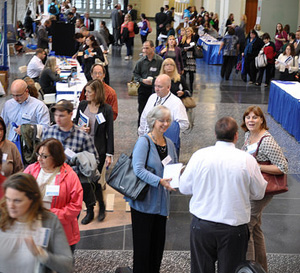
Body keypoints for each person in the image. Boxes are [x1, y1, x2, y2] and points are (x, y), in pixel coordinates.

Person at [179, 116, 267, 273]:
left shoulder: (199, 156)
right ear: (236, 136)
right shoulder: (247, 160)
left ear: (215, 135)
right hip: (233, 229)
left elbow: (184, 188)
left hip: (202, 225)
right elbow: (259, 193)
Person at [129, 105, 178, 273]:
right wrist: (159, 181)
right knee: (143, 250)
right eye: (161, 120)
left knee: (157, 249)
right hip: (144, 203)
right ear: (153, 121)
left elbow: (174, 167)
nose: (165, 124)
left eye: (168, 120)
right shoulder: (144, 142)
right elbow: (138, 169)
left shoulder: (170, 144)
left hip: (161, 205)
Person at [241, 106, 288, 272]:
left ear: (262, 120)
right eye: (248, 117)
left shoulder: (266, 140)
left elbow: (283, 166)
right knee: (256, 228)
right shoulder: (248, 135)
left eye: (255, 117)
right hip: (251, 187)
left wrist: (258, 166)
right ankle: (261, 268)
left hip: (262, 190)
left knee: (246, 227)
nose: (251, 120)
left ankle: (249, 268)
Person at [0, 173, 73, 273]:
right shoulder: (1, 217)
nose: (11, 206)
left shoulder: (49, 221)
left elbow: (67, 266)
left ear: (33, 199)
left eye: (17, 201)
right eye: (8, 199)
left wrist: (40, 254)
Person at [43, 100, 98, 225]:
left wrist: (79, 162)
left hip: (76, 180)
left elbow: (94, 159)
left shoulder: (82, 137)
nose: (58, 118)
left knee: (72, 217)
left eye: (61, 115)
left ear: (71, 114)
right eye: (56, 115)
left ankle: (90, 209)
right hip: (54, 180)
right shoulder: (49, 133)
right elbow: (41, 156)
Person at [24, 139, 83, 252]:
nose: (39, 159)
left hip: (60, 230)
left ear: (55, 157)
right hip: (35, 227)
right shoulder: (32, 170)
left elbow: (75, 206)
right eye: (38, 154)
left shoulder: (70, 176)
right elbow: (19, 192)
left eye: (44, 156)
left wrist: (51, 215)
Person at [74, 80, 114, 222]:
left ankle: (101, 206)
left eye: (89, 92)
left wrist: (110, 154)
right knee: (84, 181)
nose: (86, 94)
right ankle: (90, 209)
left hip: (98, 152)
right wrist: (79, 129)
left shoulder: (106, 109)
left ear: (97, 93)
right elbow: (75, 123)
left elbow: (110, 133)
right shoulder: (83, 105)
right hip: (82, 150)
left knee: (94, 180)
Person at [133, 40, 163, 125]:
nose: (144, 50)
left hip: (156, 90)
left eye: (147, 48)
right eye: (143, 48)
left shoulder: (160, 61)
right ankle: (141, 132)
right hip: (143, 90)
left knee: (156, 112)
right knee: (142, 111)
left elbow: (163, 74)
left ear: (152, 48)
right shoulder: (140, 62)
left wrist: (155, 81)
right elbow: (135, 74)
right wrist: (142, 80)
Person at [179, 27, 197, 93]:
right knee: (184, 73)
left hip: (191, 57)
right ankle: (185, 87)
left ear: (191, 32)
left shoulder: (193, 38)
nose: (187, 33)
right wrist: (184, 49)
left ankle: (191, 87)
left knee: (191, 74)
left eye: (189, 31)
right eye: (186, 31)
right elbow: (179, 47)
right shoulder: (183, 39)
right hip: (185, 57)